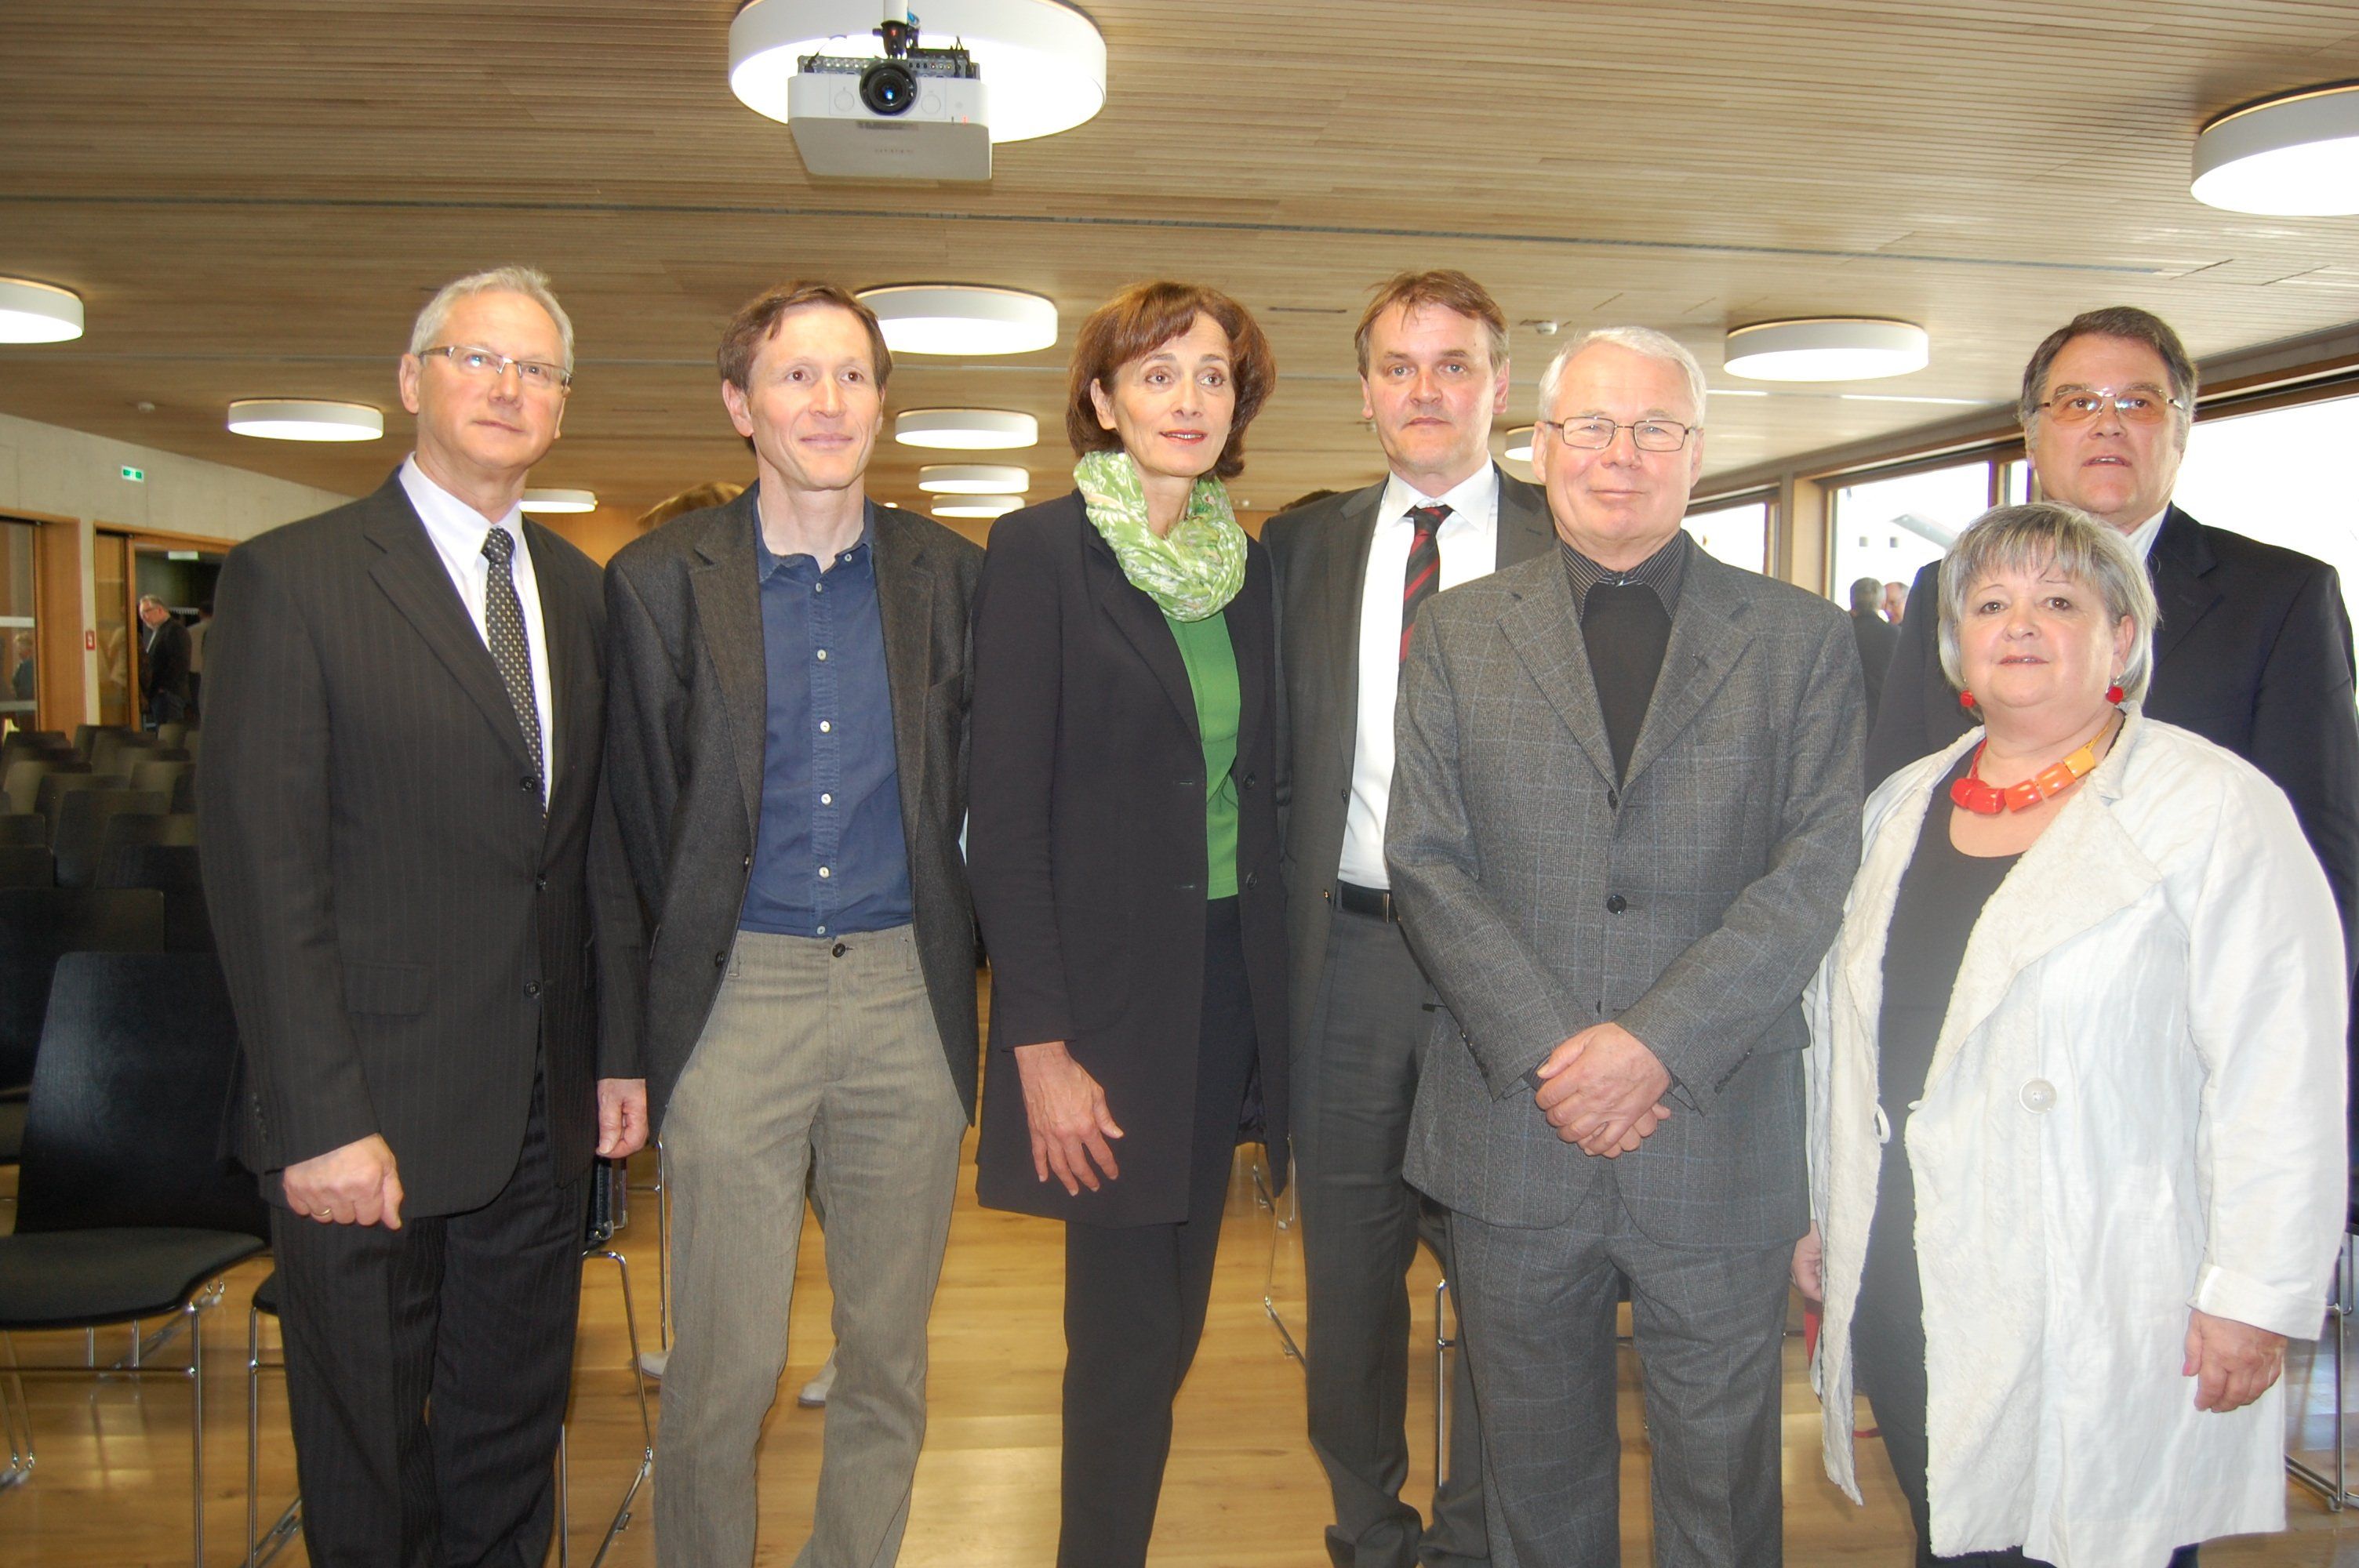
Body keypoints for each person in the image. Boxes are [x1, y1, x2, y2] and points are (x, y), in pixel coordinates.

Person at [1387, 325, 1863, 1565]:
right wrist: (1562, 1051)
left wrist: (1653, 1047)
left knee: (1725, 1493)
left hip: (1717, 1124)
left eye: (1655, 428)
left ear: (1697, 453)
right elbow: (1426, 862)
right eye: (1591, 426)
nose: (1621, 454)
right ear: (1540, 447)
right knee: (1534, 1490)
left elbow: (1814, 871)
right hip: (1516, 1126)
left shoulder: (1802, 640)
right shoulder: (1456, 633)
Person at [1797, 503, 2346, 1568]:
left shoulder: (2213, 806)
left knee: (2091, 1544)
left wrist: (2254, 1293)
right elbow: (1839, 1036)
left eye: (2058, 601)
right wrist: (1824, 1209)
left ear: (2121, 637)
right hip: (1914, 1266)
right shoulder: (1901, 803)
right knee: (1955, 1540)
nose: (2019, 625)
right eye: (1989, 604)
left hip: (2111, 1275)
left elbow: (2279, 1067)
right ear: (1955, 643)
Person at [198, 266, 647, 1565]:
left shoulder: (579, 591)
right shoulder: (296, 580)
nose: (508, 388)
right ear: (411, 381)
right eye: (476, 359)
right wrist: (319, 1118)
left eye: (536, 371)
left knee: (509, 1441)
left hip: (540, 1114)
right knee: (373, 1469)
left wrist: (617, 1054)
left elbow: (591, 850)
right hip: (368, 1121)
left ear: (561, 406)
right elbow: (263, 873)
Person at [602, 281, 982, 1568]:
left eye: (852, 376)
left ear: (882, 404)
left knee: (885, 1357)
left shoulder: (950, 579)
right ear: (739, 405)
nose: (827, 403)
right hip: (731, 996)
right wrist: (624, 1042)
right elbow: (625, 833)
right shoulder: (660, 582)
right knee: (723, 1365)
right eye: (795, 376)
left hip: (905, 995)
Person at [968, 280, 1289, 1568]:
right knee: (1120, 1334)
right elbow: (1005, 817)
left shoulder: (1248, 569)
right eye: (1158, 374)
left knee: (1176, 1316)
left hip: (1223, 987)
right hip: (1101, 1007)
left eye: (1212, 376)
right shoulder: (1040, 553)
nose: (1189, 400)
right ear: (1102, 401)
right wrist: (1039, 1044)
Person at [1265, 268, 1550, 1568]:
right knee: (1350, 1284)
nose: (1424, 390)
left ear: (1499, 386)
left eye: (1452, 365)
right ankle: (1369, 1531)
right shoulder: (1301, 551)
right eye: (1398, 366)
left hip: (1516, 974)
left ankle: (1480, 1539)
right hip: (1349, 965)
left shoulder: (1571, 537)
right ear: (1366, 393)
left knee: (1508, 1283)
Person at [1864, 307, 2359, 1006]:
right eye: (2077, 403)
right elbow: (1896, 805)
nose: (2107, 424)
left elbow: (2322, 851)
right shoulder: (1951, 591)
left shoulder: (2280, 597)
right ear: (2032, 435)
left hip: (2177, 1012)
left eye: (2138, 402)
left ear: (2181, 431)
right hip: (1959, 992)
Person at [1850, 574, 1899, 726]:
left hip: (1847, 718)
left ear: (1852, 601)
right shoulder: (1895, 635)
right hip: (1883, 718)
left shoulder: (1841, 632)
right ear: (1882, 603)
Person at [137, 593, 191, 727]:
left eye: (146, 612)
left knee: (168, 733)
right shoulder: (159, 631)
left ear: (160, 610)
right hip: (160, 695)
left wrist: (163, 688)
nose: (143, 617)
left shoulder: (175, 630)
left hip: (169, 695)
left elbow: (180, 662)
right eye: (141, 614)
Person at [186, 599, 211, 717]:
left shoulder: (190, 631)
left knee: (199, 712)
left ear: (200, 613)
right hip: (215, 674)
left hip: (195, 675)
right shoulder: (222, 632)